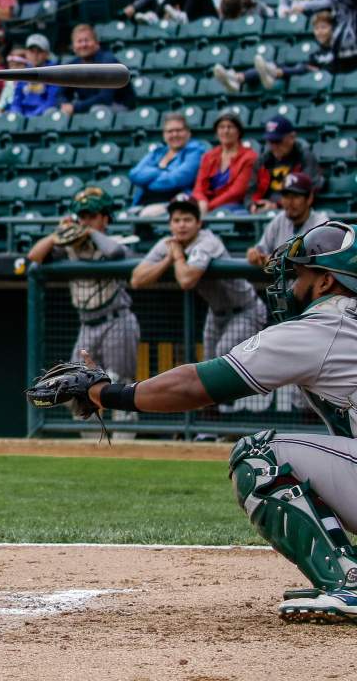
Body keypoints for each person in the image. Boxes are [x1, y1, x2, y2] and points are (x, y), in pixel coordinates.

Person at [31, 220, 357, 623]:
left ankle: (349, 581)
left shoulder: (324, 326)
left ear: (326, 282)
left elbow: (194, 386)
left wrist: (105, 392)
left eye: (300, 275)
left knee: (258, 454)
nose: (289, 286)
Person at [27, 187, 140, 429]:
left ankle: (125, 447)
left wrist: (88, 230)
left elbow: (116, 253)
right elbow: (34, 256)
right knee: (74, 386)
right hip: (87, 325)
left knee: (119, 386)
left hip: (117, 320)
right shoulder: (69, 246)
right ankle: (91, 448)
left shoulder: (114, 241)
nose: (85, 220)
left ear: (105, 218)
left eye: (92, 215)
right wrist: (59, 232)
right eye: (82, 215)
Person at [131, 194, 266, 362]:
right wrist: (167, 260)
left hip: (245, 309)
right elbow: (136, 279)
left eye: (187, 220)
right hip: (216, 313)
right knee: (208, 366)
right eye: (177, 220)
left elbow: (187, 281)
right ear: (170, 224)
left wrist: (178, 257)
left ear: (198, 223)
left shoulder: (208, 241)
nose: (182, 225)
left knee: (225, 360)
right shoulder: (170, 243)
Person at [214, 10, 337, 93]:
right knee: (279, 64)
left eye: (324, 28)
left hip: (321, 77)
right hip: (308, 72)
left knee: (301, 67)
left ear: (333, 29)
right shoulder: (316, 52)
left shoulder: (339, 48)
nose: (320, 32)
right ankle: (237, 77)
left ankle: (271, 73)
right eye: (316, 28)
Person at [128, 112, 207, 216]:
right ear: (164, 135)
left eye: (179, 130)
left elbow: (177, 179)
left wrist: (148, 182)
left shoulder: (195, 151)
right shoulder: (158, 152)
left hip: (176, 204)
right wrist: (159, 171)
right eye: (170, 131)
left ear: (188, 133)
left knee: (145, 215)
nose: (174, 134)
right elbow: (134, 174)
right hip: (142, 202)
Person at [247, 172, 330, 266]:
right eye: (286, 196)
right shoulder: (279, 220)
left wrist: (274, 261)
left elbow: (312, 261)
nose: (289, 202)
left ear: (309, 198)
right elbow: (261, 250)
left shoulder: (321, 223)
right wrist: (254, 253)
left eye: (296, 196)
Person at [59, 24, 135, 115]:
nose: (83, 45)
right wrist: (64, 105)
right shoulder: (71, 66)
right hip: (90, 107)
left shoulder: (109, 62)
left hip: (119, 107)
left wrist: (75, 107)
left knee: (96, 110)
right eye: (79, 41)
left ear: (97, 43)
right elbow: (60, 94)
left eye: (87, 40)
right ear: (74, 47)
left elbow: (105, 98)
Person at [251, 116, 322, 212]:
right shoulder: (263, 160)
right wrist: (253, 204)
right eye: (270, 141)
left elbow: (308, 190)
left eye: (278, 141)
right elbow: (251, 190)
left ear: (292, 137)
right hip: (264, 208)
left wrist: (276, 205)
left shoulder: (304, 157)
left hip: (294, 210)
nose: (274, 146)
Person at [193, 112, 257, 214]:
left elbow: (237, 192)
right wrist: (202, 202)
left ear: (239, 131)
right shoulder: (208, 156)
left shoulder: (249, 157)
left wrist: (209, 207)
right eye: (221, 127)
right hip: (206, 205)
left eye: (230, 127)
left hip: (234, 205)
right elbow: (199, 187)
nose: (226, 131)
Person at [6, 34, 60, 116]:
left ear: (47, 54)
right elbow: (17, 99)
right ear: (26, 53)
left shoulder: (53, 72)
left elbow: (52, 101)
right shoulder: (23, 73)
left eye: (39, 51)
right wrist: (17, 113)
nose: (35, 55)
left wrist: (34, 116)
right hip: (23, 116)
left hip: (43, 116)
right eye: (32, 51)